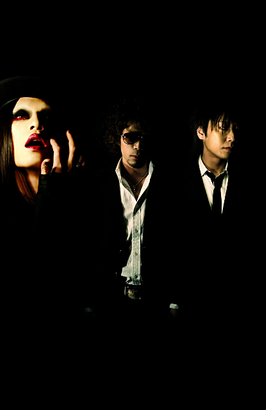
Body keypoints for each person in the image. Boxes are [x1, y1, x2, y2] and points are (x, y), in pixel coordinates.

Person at [0, 76, 87, 329]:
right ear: (3, 133)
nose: (37, 124)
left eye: (46, 117)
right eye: (22, 116)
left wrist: (65, 191)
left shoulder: (79, 195)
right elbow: (28, 280)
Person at [86, 98, 177, 346]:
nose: (138, 145)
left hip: (157, 304)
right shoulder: (98, 184)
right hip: (111, 304)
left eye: (144, 138)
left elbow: (179, 243)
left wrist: (175, 301)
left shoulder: (170, 184)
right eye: (130, 137)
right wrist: (89, 303)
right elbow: (87, 245)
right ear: (117, 138)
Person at [176, 103, 253, 337]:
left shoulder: (250, 181)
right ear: (201, 132)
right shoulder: (175, 182)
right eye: (223, 128)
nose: (232, 137)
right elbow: (169, 246)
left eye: (235, 129)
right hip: (190, 308)